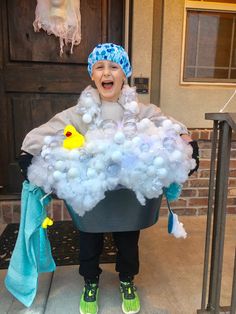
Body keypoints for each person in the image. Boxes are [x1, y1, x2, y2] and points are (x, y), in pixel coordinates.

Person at [18, 43, 199, 314]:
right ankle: (90, 280)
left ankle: (127, 278)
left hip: (127, 192)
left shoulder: (139, 110)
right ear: (92, 75)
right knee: (89, 237)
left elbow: (166, 123)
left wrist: (185, 141)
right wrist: (28, 151)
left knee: (128, 238)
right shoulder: (80, 113)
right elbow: (48, 130)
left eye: (114, 67)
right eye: (100, 67)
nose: (107, 73)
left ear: (124, 74)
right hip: (91, 193)